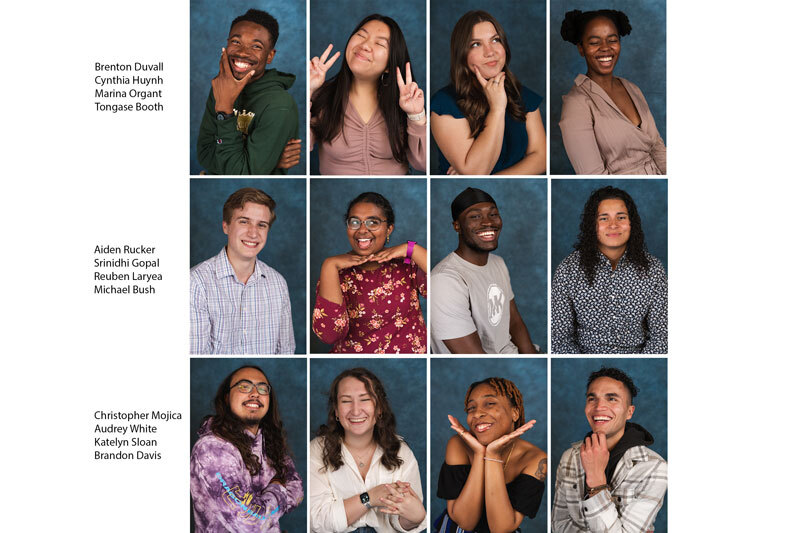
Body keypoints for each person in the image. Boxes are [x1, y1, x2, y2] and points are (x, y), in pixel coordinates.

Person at [551, 186, 667, 354]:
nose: (614, 225)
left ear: (631, 223)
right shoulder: (569, 270)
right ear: (593, 225)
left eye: (621, 217)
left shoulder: (653, 269)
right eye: (604, 218)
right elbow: (558, 339)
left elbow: (663, 336)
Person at [310, 367, 427, 532]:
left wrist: (414, 518)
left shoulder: (401, 451)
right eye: (345, 401)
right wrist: (369, 498)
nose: (356, 410)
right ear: (336, 411)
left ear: (379, 408)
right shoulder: (316, 450)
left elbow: (403, 524)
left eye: (365, 399)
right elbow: (317, 521)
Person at [552, 367, 667, 532]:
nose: (599, 407)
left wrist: (596, 480)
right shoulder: (569, 457)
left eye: (612, 399)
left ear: (629, 412)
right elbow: (558, 526)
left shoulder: (654, 467)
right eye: (592, 399)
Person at [190, 365, 304, 532]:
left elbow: (297, 490)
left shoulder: (270, 442)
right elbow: (250, 523)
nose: (255, 393)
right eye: (244, 386)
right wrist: (277, 486)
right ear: (227, 397)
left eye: (262, 388)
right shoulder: (212, 450)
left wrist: (264, 507)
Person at [431, 10, 546, 175]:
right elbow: (476, 172)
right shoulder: (444, 103)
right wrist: (497, 109)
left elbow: (541, 158)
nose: (490, 51)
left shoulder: (522, 95)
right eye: (476, 44)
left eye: (495, 40)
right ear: (462, 54)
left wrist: (491, 179)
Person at [310, 14, 426, 174]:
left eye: (379, 43)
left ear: (389, 65)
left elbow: (423, 164)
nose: (365, 45)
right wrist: (310, 90)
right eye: (361, 35)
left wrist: (416, 115)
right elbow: (301, 147)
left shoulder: (405, 101)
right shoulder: (323, 95)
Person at [312, 192, 427, 354]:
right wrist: (328, 265)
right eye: (354, 222)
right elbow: (329, 335)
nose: (362, 230)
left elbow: (444, 291)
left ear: (389, 229)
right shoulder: (337, 272)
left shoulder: (406, 262)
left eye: (373, 222)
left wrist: (412, 249)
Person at [430, 187, 537, 354]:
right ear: (457, 226)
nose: (488, 222)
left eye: (493, 214)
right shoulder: (445, 280)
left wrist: (532, 357)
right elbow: (473, 357)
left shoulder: (497, 263)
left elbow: (513, 320)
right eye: (475, 216)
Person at [559, 9, 666, 175]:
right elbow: (592, 174)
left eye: (612, 40)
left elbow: (657, 146)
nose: (605, 48)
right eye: (594, 42)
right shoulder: (576, 104)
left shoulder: (632, 88)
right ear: (581, 48)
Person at [196, 9, 302, 175]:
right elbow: (204, 154)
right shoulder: (220, 85)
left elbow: (241, 173)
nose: (243, 52)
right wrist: (269, 160)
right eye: (236, 42)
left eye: (256, 46)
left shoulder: (279, 105)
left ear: (270, 56)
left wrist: (224, 109)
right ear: (227, 44)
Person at [190, 187, 295, 354]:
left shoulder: (278, 283)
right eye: (244, 221)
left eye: (261, 225)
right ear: (226, 226)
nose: (253, 233)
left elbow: (286, 351)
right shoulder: (196, 283)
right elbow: (193, 354)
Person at [436, 377, 546, 532]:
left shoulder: (535, 458)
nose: (477, 413)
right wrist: (480, 454)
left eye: (490, 404)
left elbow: (501, 528)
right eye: (471, 408)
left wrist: (493, 455)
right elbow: (465, 522)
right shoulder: (457, 444)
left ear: (514, 413)